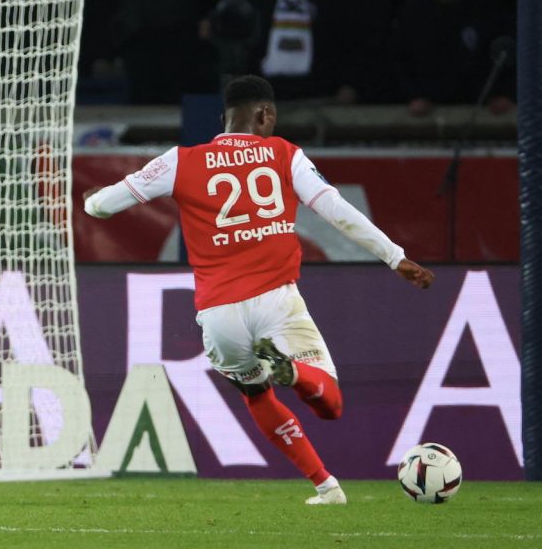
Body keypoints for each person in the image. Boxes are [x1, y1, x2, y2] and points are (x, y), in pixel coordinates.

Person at [83, 75, 434, 504]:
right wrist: (395, 256)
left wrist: (91, 200)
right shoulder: (284, 154)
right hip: (277, 302)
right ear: (264, 114)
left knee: (254, 391)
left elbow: (102, 207)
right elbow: (335, 210)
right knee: (331, 403)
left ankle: (325, 486)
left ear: (223, 118)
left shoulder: (181, 161)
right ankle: (295, 371)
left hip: (218, 314)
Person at [390, 0, 513, 116]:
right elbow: (400, 61)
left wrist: (503, 94)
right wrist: (413, 96)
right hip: (426, 108)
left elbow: (503, 56)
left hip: (479, 106)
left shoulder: (484, 14)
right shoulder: (412, 17)